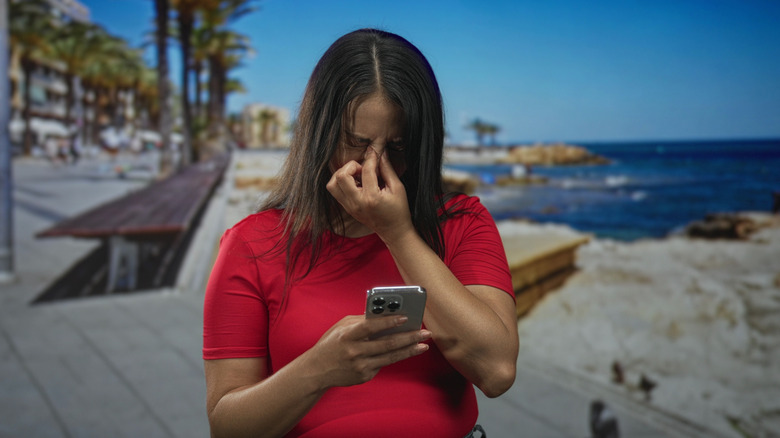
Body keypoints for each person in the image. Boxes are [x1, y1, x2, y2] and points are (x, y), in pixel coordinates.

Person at [203, 28, 519, 438]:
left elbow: (496, 371)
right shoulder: (251, 244)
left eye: (399, 146)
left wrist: (399, 234)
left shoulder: (463, 222)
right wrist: (317, 370)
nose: (376, 164)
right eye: (357, 142)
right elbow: (227, 428)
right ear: (320, 134)